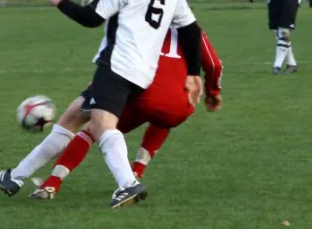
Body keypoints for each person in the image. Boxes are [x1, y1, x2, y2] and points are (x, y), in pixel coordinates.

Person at [11, 0, 201, 209]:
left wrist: (62, 2)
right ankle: (14, 177)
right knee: (72, 117)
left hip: (116, 64)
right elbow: (191, 30)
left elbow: (91, 17)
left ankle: (128, 185)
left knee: (101, 125)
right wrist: (194, 72)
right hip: (143, 72)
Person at [27, 27, 223, 199]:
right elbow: (214, 65)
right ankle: (136, 171)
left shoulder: (143, 23)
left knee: (94, 127)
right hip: (179, 106)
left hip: (142, 96)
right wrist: (212, 92)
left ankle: (52, 183)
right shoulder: (191, 28)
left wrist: (102, 83)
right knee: (165, 116)